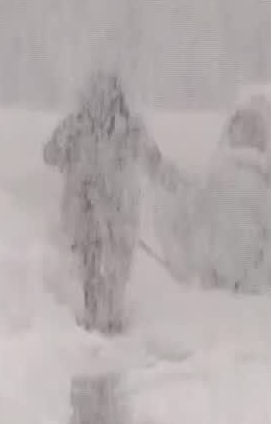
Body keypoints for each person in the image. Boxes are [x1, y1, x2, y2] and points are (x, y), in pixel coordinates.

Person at [42, 71, 185, 334]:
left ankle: (109, 316)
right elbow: (50, 154)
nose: (101, 103)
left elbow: (153, 161)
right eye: (97, 97)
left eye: (105, 97)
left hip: (116, 211)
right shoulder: (78, 127)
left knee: (109, 266)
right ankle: (97, 317)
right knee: (93, 265)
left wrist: (173, 180)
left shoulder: (125, 129)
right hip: (90, 210)